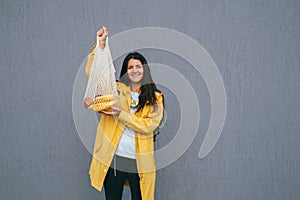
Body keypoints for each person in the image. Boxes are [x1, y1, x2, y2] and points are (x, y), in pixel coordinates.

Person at [83, 26, 164, 200]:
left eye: (138, 66)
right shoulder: (116, 90)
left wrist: (121, 114)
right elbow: (94, 73)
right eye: (130, 67)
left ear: (145, 69)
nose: (135, 70)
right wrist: (101, 45)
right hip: (115, 161)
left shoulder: (156, 98)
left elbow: (149, 126)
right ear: (126, 71)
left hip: (140, 164)